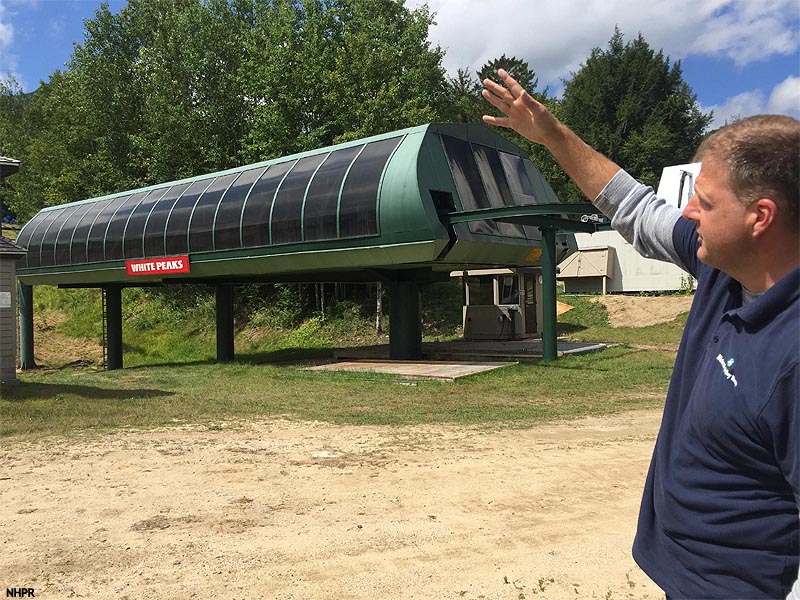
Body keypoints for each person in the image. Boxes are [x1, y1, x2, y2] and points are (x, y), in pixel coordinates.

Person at [482, 68, 799, 599]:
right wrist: (552, 135)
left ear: (759, 218)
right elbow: (634, 208)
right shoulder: (722, 270)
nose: (689, 212)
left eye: (707, 201)